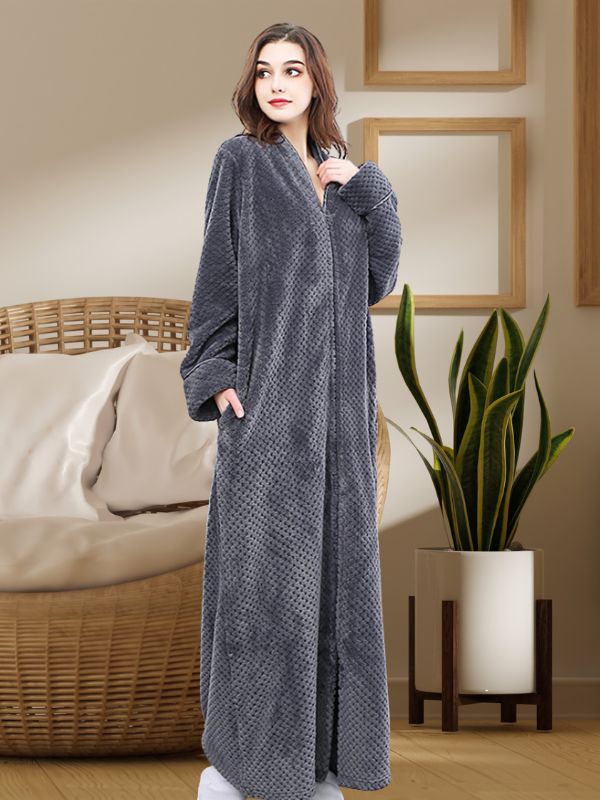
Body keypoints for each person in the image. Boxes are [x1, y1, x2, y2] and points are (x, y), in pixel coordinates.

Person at [182, 22, 402, 800]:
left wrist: (372, 191)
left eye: (293, 70)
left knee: (339, 594)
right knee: (264, 594)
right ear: (253, 84)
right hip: (270, 418)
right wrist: (217, 376)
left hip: (341, 424)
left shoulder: (344, 178)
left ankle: (324, 767)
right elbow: (216, 278)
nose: (277, 83)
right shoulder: (240, 163)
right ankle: (254, 766)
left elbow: (377, 280)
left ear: (316, 84)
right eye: (265, 71)